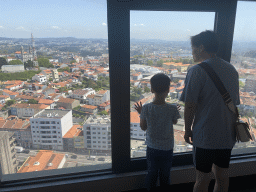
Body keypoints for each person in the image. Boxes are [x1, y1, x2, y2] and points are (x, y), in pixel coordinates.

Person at [179, 30, 240, 192]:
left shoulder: (196, 71)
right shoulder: (231, 69)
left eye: (193, 48)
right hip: (227, 133)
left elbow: (190, 105)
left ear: (201, 48)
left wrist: (187, 130)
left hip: (205, 134)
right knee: (222, 176)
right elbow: (235, 103)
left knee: (202, 179)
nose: (192, 52)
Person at [134, 73, 181, 191]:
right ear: (168, 90)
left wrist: (141, 114)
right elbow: (175, 122)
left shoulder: (146, 108)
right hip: (167, 148)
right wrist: (175, 111)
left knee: (152, 174)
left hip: (152, 147)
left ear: (152, 89)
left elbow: (143, 127)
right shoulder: (172, 108)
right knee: (165, 175)